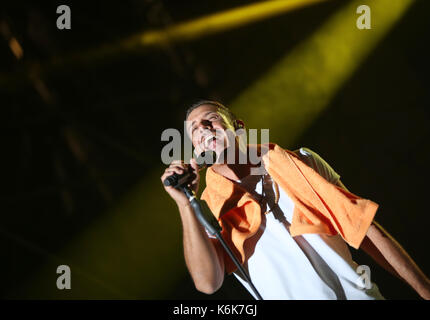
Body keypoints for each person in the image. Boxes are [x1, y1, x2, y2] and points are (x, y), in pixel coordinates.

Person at [161, 100, 430, 300]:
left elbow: (364, 228)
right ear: (196, 148)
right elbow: (208, 282)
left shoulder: (302, 160)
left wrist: (424, 289)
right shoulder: (207, 206)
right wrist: (185, 202)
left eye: (211, 118)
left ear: (238, 127)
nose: (203, 128)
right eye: (193, 129)